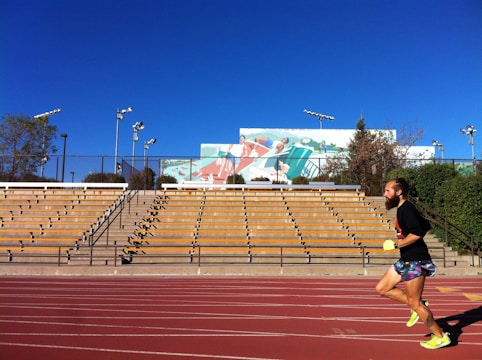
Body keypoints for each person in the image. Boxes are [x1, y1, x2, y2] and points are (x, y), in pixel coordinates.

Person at [375, 178, 451, 350]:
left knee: (414, 303)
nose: (385, 194)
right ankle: (419, 304)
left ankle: (440, 336)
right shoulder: (403, 209)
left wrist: (396, 244)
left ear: (399, 192)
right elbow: (425, 226)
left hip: (415, 261)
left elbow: (417, 233)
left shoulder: (407, 209)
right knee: (382, 288)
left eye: (388, 191)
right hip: (406, 259)